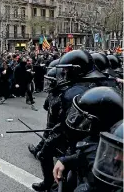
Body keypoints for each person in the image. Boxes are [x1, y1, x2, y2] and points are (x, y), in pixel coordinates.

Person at [32, 50, 109, 191]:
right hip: (95, 140)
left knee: (76, 174)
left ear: (76, 70)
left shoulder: (74, 91)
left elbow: (70, 122)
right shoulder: (103, 81)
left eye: (67, 70)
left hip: (85, 138)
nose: (64, 74)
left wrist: (60, 130)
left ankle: (51, 183)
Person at [52, 86, 123, 192]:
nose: (116, 157)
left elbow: (93, 185)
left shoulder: (102, 159)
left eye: (84, 120)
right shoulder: (100, 144)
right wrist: (65, 161)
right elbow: (84, 155)